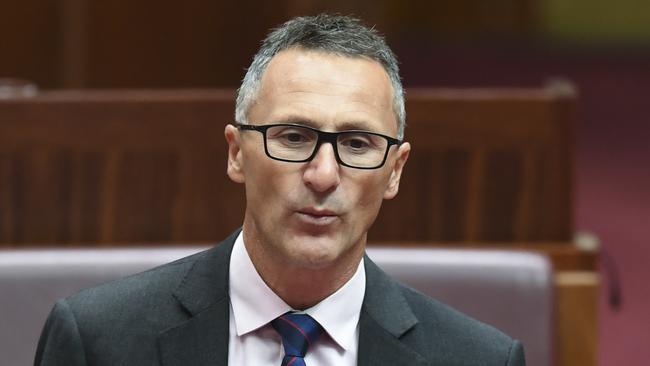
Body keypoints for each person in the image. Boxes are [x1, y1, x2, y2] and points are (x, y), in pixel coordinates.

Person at [35, 14, 526, 366]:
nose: (323, 175)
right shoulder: (99, 342)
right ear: (236, 154)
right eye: (294, 137)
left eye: (357, 143)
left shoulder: (477, 357)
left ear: (395, 170)